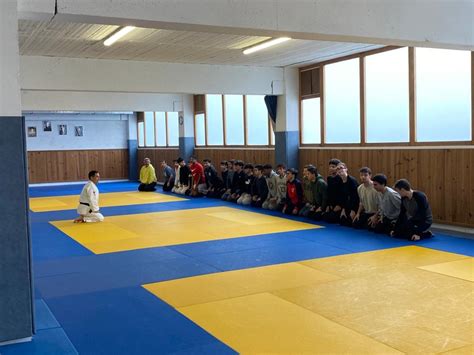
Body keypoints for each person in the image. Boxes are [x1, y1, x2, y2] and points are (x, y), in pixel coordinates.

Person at [337, 162, 360, 226]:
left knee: (351, 223)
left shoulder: (352, 181)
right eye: (338, 169)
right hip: (347, 205)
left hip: (355, 205)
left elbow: (356, 197)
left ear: (346, 169)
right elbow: (342, 197)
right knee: (342, 221)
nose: (339, 170)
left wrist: (353, 210)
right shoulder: (339, 181)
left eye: (341, 168)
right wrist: (343, 209)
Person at [324, 159, 344, 223]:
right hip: (332, 204)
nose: (331, 168)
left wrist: (340, 205)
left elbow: (342, 193)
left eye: (333, 167)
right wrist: (328, 205)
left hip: (339, 204)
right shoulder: (329, 178)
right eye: (330, 166)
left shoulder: (341, 178)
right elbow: (329, 192)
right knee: (324, 217)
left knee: (333, 219)